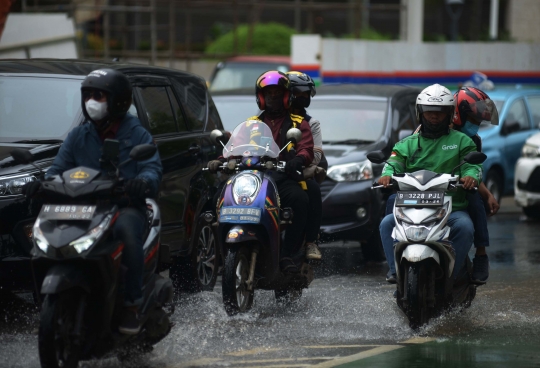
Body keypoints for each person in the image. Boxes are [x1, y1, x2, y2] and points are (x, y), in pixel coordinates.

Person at [24, 69, 162, 335]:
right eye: (88, 95)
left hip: (123, 206)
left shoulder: (137, 135)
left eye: (99, 96)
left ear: (119, 101)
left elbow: (152, 170)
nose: (91, 102)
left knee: (127, 235)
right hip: (82, 208)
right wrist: (41, 185)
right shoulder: (78, 136)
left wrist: (141, 182)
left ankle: (132, 305)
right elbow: (57, 170)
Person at [210, 70, 314, 273]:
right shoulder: (251, 123)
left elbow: (306, 148)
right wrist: (220, 160)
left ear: (286, 96)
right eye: (268, 94)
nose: (273, 98)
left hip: (280, 178)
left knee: (300, 200)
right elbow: (234, 146)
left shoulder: (297, 123)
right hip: (249, 177)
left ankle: (287, 255)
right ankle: (221, 256)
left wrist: (299, 159)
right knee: (217, 198)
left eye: (277, 94)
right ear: (261, 98)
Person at [378, 84, 482, 284]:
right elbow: (393, 163)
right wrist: (387, 176)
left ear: (450, 114)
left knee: (465, 227)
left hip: (452, 208)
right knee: (386, 223)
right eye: (429, 112)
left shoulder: (462, 141)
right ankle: (396, 274)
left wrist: (471, 177)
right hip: (411, 207)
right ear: (420, 113)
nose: (434, 116)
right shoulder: (406, 144)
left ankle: (451, 277)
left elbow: (472, 166)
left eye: (440, 112)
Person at [452, 86, 500, 283]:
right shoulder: (427, 132)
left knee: (474, 197)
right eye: (473, 120)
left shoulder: (473, 141)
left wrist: (487, 194)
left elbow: (474, 173)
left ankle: (481, 254)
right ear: (457, 114)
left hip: (457, 190)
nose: (476, 125)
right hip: (426, 189)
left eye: (478, 121)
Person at [286, 71, 325, 261]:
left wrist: (297, 159)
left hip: (297, 174)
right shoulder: (268, 118)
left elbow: (316, 155)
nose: (302, 97)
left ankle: (311, 241)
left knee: (313, 190)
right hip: (270, 171)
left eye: (306, 94)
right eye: (298, 93)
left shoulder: (310, 123)